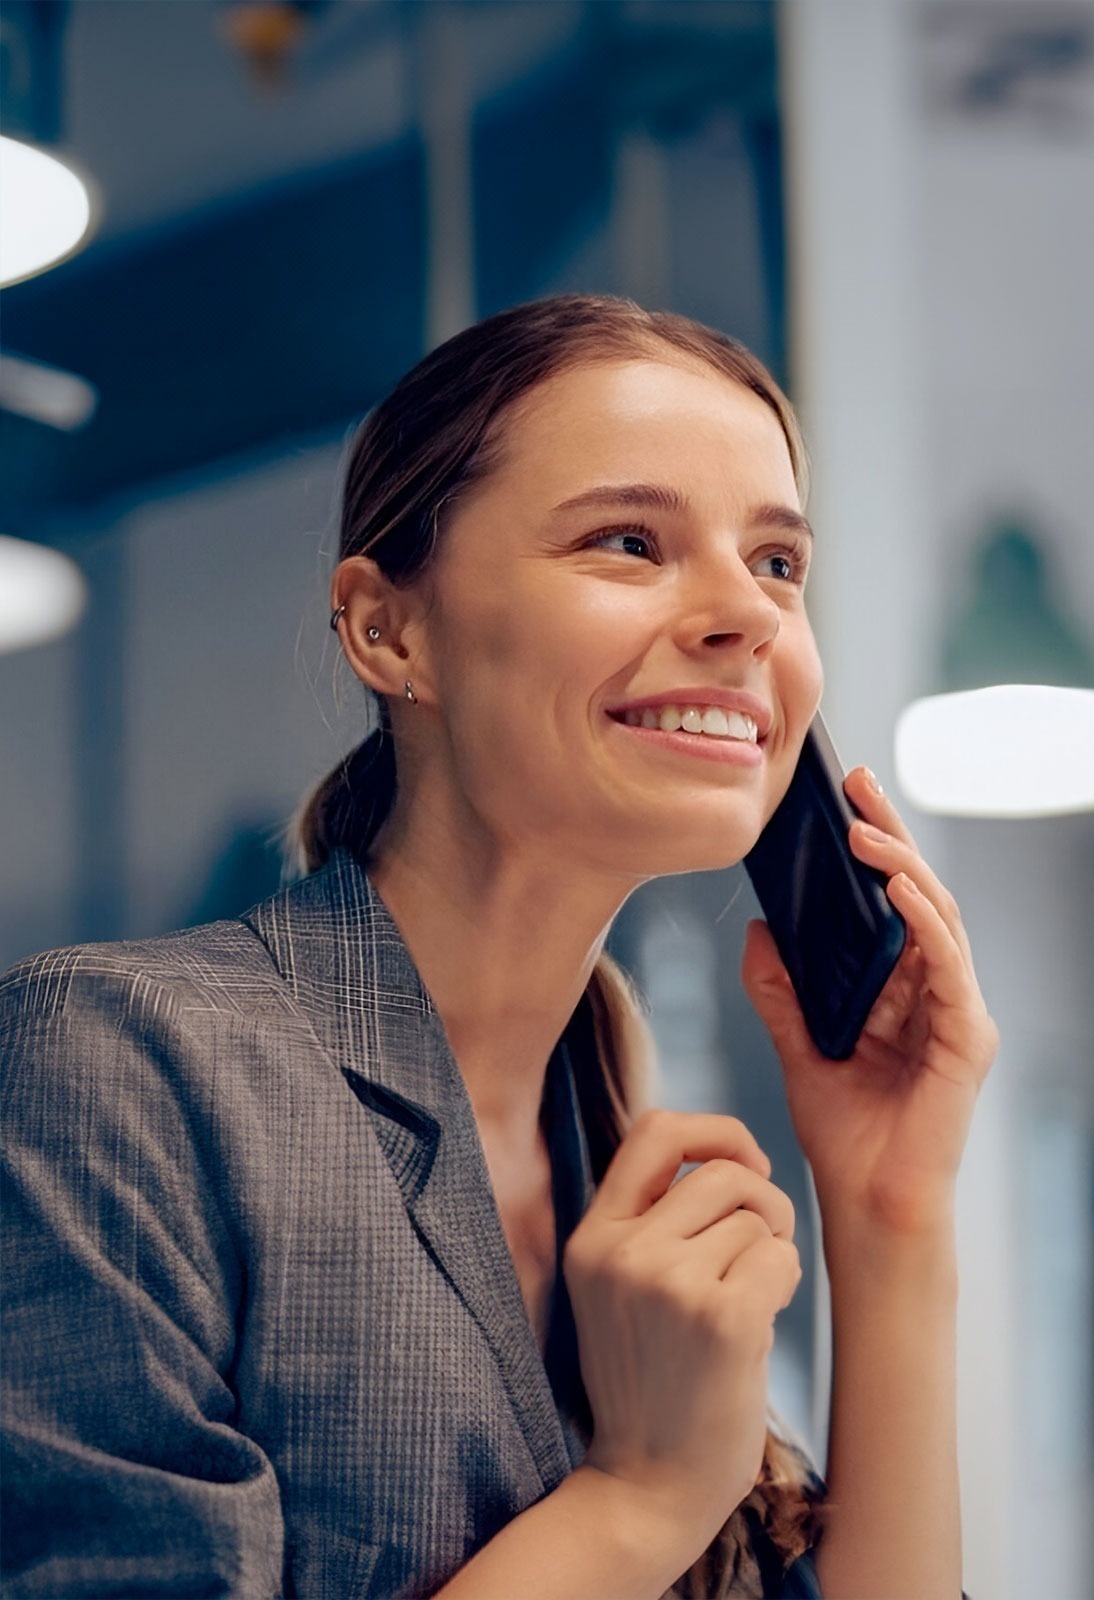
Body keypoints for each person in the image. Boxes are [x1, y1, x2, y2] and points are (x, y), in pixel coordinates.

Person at [1, 294, 998, 1599]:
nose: (747, 616)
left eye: (775, 562)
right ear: (389, 629)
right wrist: (638, 1501)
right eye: (628, 541)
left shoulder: (617, 1165)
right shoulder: (116, 1067)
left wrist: (889, 1211)